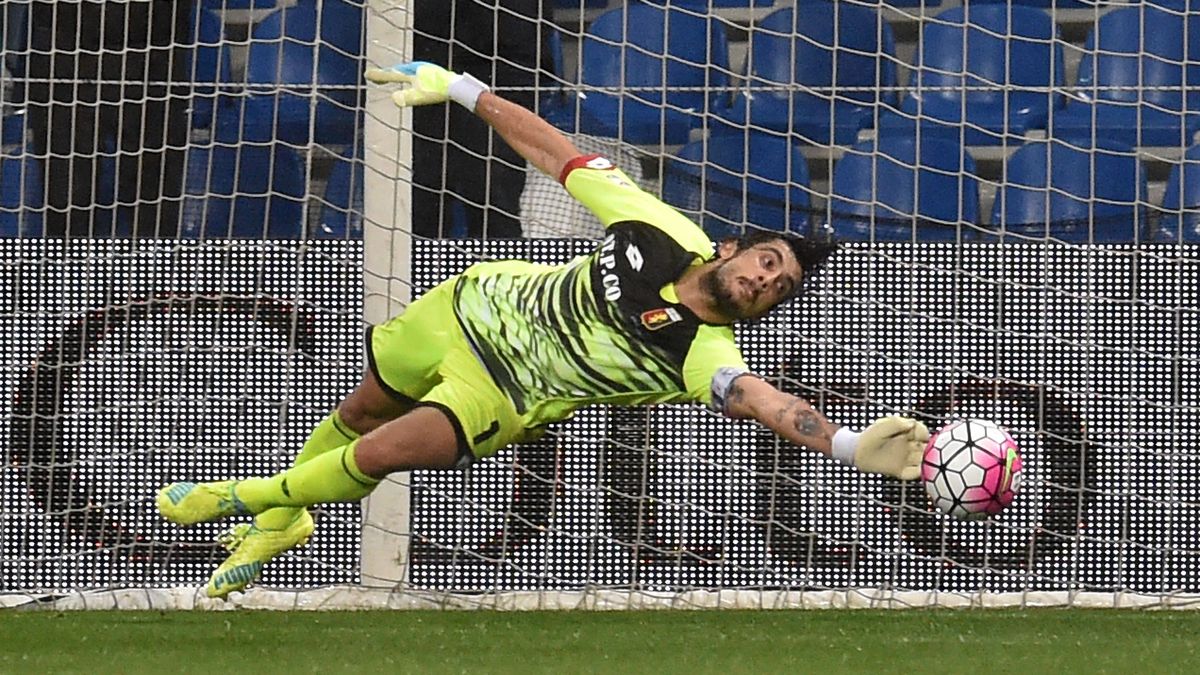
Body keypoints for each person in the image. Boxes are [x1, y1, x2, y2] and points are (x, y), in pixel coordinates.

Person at [156, 61, 930, 599]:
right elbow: (549, 147)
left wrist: (848, 445)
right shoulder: (653, 222)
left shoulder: (705, 352)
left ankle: (246, 495)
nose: (765, 279)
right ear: (732, 248)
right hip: (466, 305)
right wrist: (459, 89)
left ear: (767, 307)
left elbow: (767, 402)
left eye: (779, 287)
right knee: (360, 412)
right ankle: (283, 520)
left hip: (504, 392)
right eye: (766, 260)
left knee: (380, 450)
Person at [24, 0, 192, 238]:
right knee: (66, 186)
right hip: (64, 47)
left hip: (155, 50)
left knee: (153, 185)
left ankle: (152, 267)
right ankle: (67, 266)